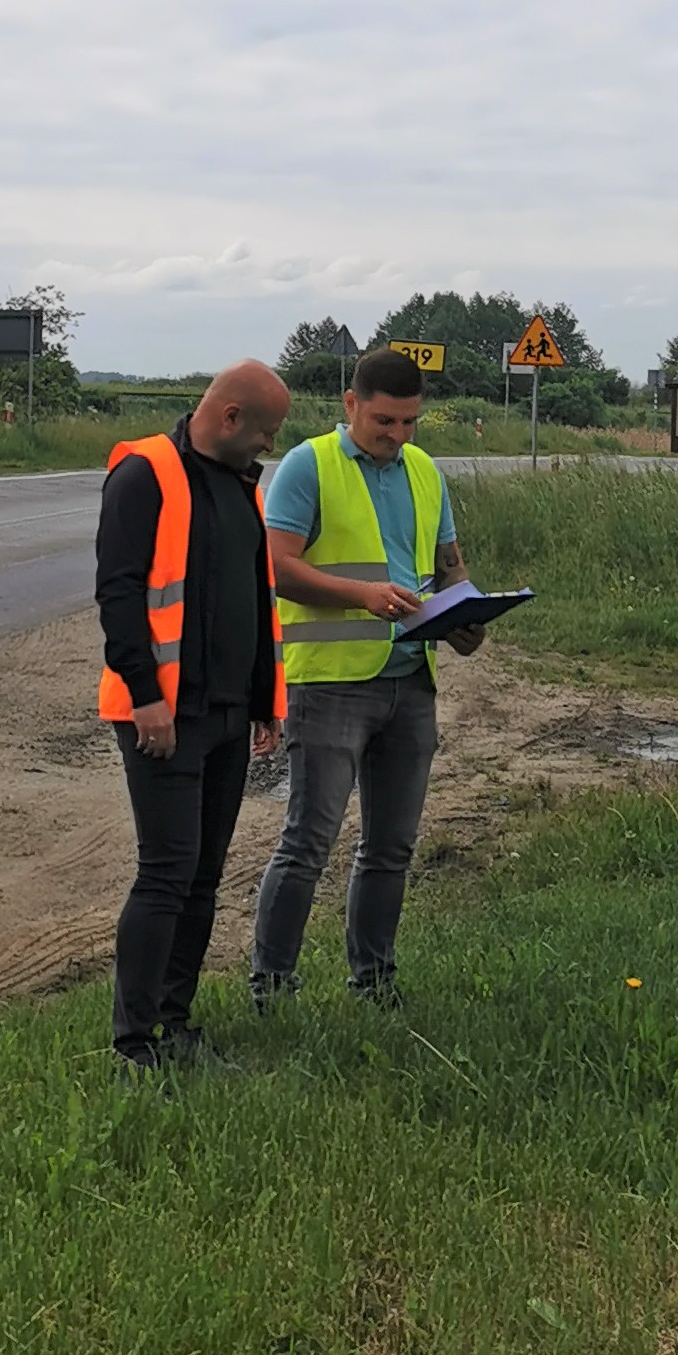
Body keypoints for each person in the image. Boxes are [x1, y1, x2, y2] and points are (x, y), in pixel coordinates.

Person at [250, 347, 485, 1009]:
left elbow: (448, 568)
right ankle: (271, 986)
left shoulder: (424, 473)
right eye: (384, 420)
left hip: (411, 679)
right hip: (329, 684)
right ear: (350, 405)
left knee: (391, 847)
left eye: (410, 422)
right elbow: (275, 567)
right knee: (308, 841)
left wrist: (466, 611)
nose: (397, 435)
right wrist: (362, 596)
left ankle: (374, 980)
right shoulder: (308, 465)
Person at [94, 360, 292, 1070]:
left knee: (204, 874)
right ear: (231, 417)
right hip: (162, 717)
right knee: (167, 872)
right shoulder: (144, 474)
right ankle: (133, 1040)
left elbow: (255, 594)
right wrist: (146, 695)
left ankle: (174, 1024)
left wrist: (268, 699)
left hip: (229, 714)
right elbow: (117, 597)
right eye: (266, 431)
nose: (271, 445)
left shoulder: (244, 486)